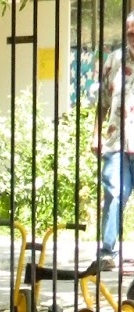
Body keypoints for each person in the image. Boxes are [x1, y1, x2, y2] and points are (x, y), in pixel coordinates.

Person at [95, 12, 134, 269]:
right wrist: (95, 133)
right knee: (114, 191)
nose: (132, 37)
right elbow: (102, 102)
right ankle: (107, 251)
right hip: (117, 140)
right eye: (130, 33)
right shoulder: (115, 60)